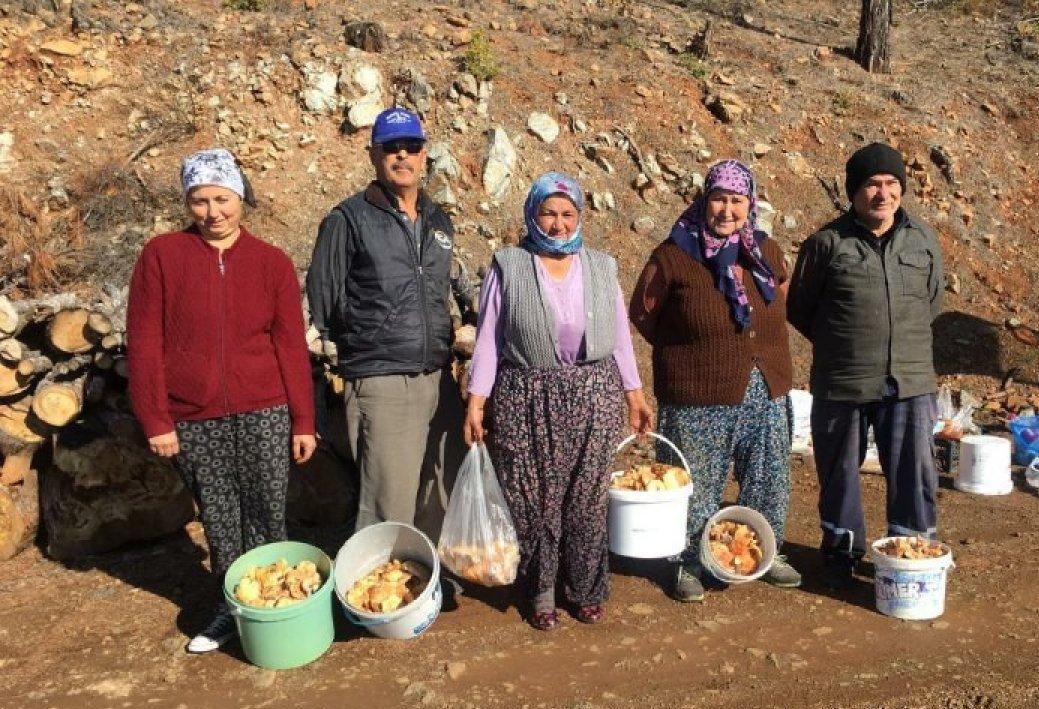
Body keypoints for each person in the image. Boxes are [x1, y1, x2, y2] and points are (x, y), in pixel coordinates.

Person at [127, 148, 317, 653]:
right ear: (188, 202)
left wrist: (303, 420)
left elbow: (290, 347)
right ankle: (229, 611)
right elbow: (144, 342)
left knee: (267, 514)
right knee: (219, 517)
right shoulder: (162, 257)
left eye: (223, 198)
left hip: (265, 411)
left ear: (241, 197)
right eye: (200, 200)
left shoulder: (271, 263)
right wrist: (156, 419)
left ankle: (276, 610)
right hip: (194, 414)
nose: (213, 212)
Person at [465, 173, 653, 630]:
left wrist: (635, 393)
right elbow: (488, 339)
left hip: (594, 393)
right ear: (532, 214)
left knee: (586, 497)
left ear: (580, 217)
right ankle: (541, 591)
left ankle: (585, 588)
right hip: (525, 395)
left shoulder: (601, 266)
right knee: (534, 499)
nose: (558, 224)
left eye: (568, 214)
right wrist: (476, 402)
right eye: (548, 213)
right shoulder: (508, 265)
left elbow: (620, 338)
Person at [630, 159, 802, 603]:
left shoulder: (766, 250)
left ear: (750, 204)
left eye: (737, 200)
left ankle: (766, 550)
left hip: (766, 385)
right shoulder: (673, 255)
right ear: (704, 202)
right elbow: (642, 313)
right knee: (695, 482)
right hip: (698, 392)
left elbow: (781, 298)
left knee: (769, 475)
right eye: (719, 199)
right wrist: (690, 350)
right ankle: (684, 561)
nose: (727, 210)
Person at [787, 142, 945, 587]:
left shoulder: (923, 240)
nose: (883, 193)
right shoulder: (826, 243)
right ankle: (841, 554)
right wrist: (847, 344)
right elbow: (800, 308)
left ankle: (911, 555)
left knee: (914, 473)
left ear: (902, 189)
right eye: (872, 184)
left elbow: (932, 301)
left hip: (910, 380)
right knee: (839, 474)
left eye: (891, 183)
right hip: (842, 381)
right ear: (854, 190)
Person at [307, 107, 466, 536]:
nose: (402, 156)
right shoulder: (348, 219)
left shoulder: (438, 219)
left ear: (423, 154)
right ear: (373, 155)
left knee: (440, 490)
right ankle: (382, 595)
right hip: (382, 378)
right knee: (388, 502)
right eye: (390, 148)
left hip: (437, 375)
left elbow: (443, 289)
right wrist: (366, 347)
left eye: (411, 147)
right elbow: (323, 300)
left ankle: (428, 581)